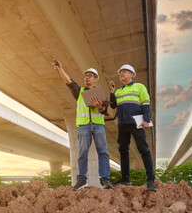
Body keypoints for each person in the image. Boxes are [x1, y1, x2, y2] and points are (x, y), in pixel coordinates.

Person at [53, 60, 112, 190]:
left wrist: (100, 106)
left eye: (90, 75)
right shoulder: (79, 92)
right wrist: (60, 69)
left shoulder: (100, 94)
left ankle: (105, 180)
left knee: (103, 152)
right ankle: (81, 179)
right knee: (82, 152)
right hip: (84, 125)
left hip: (98, 125)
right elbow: (69, 81)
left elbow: (105, 111)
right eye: (85, 75)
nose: (87, 77)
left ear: (95, 79)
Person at [109, 64, 156, 191]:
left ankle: (151, 180)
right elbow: (113, 106)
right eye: (120, 72)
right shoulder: (118, 91)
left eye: (124, 71)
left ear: (131, 74)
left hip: (137, 122)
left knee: (144, 150)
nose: (121, 74)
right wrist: (112, 92)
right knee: (123, 151)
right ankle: (125, 179)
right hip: (122, 124)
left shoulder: (139, 87)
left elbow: (146, 103)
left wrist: (146, 120)